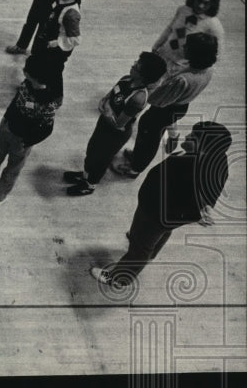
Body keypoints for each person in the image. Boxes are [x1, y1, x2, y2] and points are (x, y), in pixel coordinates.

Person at [91, 122, 231, 287]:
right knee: (160, 233)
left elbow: (195, 200)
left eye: (193, 137)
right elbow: (207, 197)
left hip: (155, 213)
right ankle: (150, 250)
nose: (187, 136)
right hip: (168, 216)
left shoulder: (193, 170)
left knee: (140, 248)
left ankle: (119, 278)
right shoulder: (218, 161)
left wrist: (198, 211)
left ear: (204, 149)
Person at [114, 33, 218, 178]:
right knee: (151, 135)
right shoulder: (207, 70)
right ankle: (138, 156)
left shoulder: (183, 79)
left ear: (195, 53)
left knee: (149, 138)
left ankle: (135, 168)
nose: (184, 47)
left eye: (187, 46)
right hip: (181, 105)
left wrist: (145, 91)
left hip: (165, 109)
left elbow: (158, 100)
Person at [0, 52, 64, 212]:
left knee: (12, 170)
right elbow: (16, 101)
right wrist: (5, 118)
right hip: (7, 129)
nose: (23, 70)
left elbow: (47, 129)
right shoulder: (26, 84)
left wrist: (26, 142)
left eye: (26, 69)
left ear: (36, 76)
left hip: (21, 140)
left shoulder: (47, 102)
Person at [64, 52, 168, 196]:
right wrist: (104, 101)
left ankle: (90, 184)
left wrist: (106, 110)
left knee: (101, 159)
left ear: (144, 75)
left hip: (114, 134)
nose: (133, 65)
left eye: (137, 66)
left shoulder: (138, 97)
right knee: (92, 150)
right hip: (103, 124)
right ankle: (85, 175)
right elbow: (109, 95)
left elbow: (118, 123)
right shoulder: (126, 79)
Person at [151, 0, 224, 77]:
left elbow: (217, 53)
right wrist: (157, 45)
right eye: (199, 1)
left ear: (212, 4)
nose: (201, 6)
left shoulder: (214, 25)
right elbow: (170, 29)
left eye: (206, 3)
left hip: (181, 67)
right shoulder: (183, 10)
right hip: (165, 54)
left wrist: (192, 69)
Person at [31, 0, 86, 65]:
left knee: (51, 72)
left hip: (56, 52)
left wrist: (56, 43)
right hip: (48, 44)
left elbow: (75, 39)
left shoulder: (71, 14)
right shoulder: (62, 1)